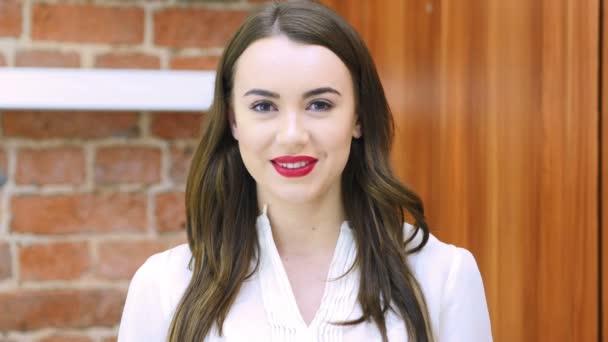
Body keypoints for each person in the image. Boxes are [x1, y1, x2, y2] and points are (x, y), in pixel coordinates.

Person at [117, 1, 492, 341]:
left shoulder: (443, 276)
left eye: (320, 104)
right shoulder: (164, 285)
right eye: (264, 106)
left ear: (358, 117)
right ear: (233, 121)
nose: (293, 135)